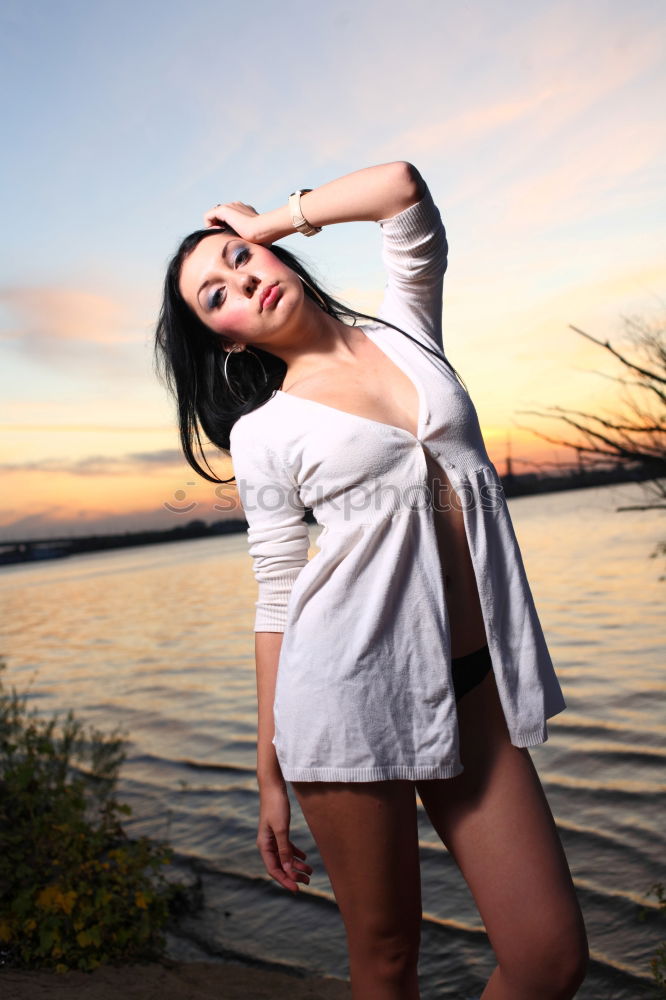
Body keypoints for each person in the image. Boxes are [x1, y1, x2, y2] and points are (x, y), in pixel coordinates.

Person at [155, 162, 589, 1000]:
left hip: (471, 687)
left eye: (240, 261)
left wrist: (271, 220)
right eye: (217, 297)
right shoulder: (264, 433)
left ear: (273, 255)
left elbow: (399, 188)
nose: (242, 282)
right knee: (387, 962)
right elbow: (277, 590)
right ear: (230, 338)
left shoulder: (408, 331)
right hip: (344, 695)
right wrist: (268, 767)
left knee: (548, 959)